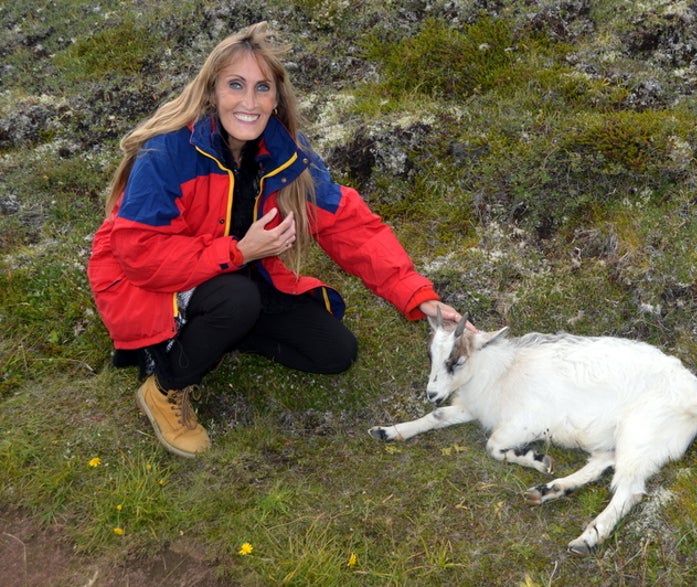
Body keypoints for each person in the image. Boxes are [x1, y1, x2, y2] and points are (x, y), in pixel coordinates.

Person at [87, 22, 470, 459]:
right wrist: (237, 252)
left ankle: (212, 335)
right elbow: (139, 255)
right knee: (237, 300)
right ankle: (167, 385)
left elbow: (348, 224)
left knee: (334, 352)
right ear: (212, 91)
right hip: (152, 285)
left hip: (234, 277)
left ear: (276, 97)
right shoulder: (167, 152)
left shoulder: (286, 152)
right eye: (235, 85)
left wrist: (419, 296)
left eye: (262, 88)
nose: (248, 102)